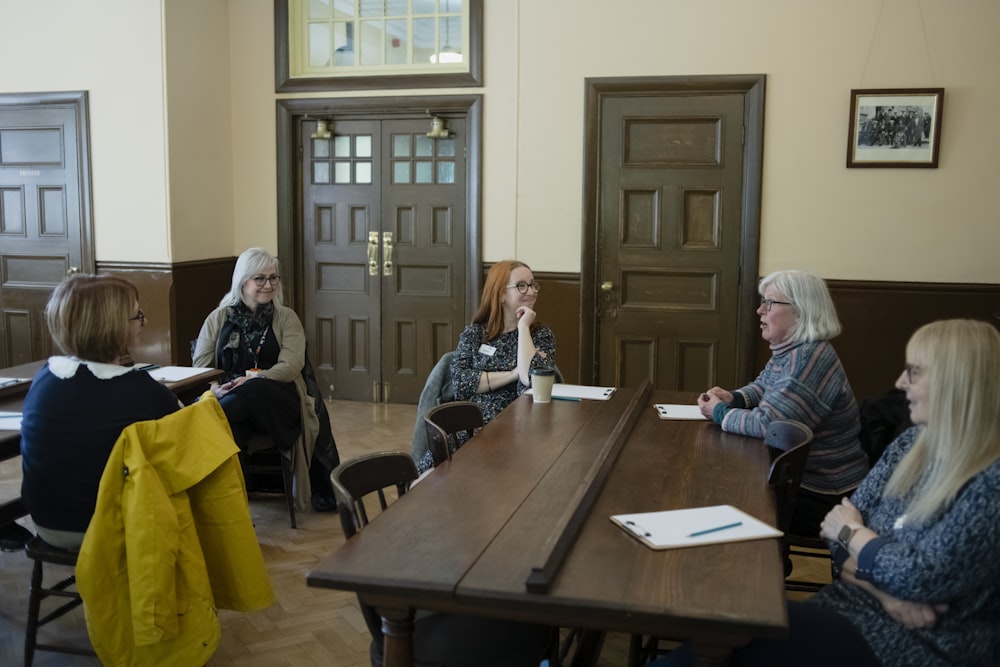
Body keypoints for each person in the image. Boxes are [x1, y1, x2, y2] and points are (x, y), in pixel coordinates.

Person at [652, 319, 1000, 667]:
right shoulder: (912, 444)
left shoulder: (991, 482)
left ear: (957, 383)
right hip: (853, 610)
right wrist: (887, 592)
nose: (899, 383)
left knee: (728, 637)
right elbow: (835, 544)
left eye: (914, 372)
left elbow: (917, 575)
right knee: (727, 632)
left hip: (916, 646)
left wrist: (854, 532)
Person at [697, 269, 868, 535]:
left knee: (726, 497)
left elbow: (770, 425)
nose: (759, 311)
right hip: (801, 479)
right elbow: (764, 385)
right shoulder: (793, 349)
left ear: (801, 311)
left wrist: (720, 412)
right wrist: (735, 398)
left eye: (769, 303)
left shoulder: (808, 359)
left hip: (824, 492)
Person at [20, 274, 181, 549]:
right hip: (108, 528)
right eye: (137, 316)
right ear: (112, 327)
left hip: (47, 522)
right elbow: (185, 434)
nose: (144, 322)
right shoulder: (139, 388)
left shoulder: (45, 377)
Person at [192, 247, 338, 511]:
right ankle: (224, 507)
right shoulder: (218, 319)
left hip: (280, 402)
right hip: (236, 405)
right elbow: (201, 365)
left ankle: (204, 421)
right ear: (243, 281)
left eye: (273, 278)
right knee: (231, 432)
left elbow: (292, 366)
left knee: (255, 389)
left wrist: (250, 381)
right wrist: (215, 388)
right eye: (260, 278)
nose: (269, 285)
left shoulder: (286, 318)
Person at [425, 260, 555, 473]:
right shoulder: (475, 333)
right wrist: (513, 373)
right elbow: (461, 384)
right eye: (522, 285)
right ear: (501, 294)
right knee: (427, 479)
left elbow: (532, 380)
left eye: (533, 285)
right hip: (467, 429)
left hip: (517, 432)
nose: (531, 291)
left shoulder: (540, 335)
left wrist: (523, 328)